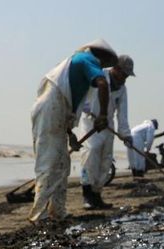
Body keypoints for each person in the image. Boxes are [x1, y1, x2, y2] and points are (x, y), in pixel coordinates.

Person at [29, 39, 117, 221]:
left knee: (62, 164)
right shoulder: (87, 59)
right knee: (50, 163)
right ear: (101, 55)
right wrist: (103, 115)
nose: (104, 68)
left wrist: (69, 134)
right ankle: (39, 216)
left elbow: (67, 100)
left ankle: (57, 212)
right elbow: (102, 83)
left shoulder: (76, 63)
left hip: (55, 111)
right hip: (50, 110)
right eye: (105, 63)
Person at [78, 55, 134, 210]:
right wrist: (88, 111)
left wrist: (126, 134)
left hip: (108, 125)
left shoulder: (122, 89)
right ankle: (87, 195)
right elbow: (83, 95)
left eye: (127, 76)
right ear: (115, 68)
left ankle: (97, 195)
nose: (124, 79)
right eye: (123, 74)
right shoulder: (99, 75)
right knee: (91, 153)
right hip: (91, 122)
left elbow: (122, 113)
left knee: (106, 160)